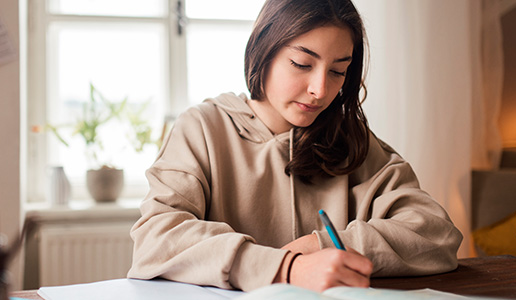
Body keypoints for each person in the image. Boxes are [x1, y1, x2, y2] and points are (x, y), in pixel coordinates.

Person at [127, 0, 463, 293]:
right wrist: (286, 268)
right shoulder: (202, 128)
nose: (320, 89)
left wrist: (319, 245)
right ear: (264, 49)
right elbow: (157, 238)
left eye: (338, 71)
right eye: (302, 64)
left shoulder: (352, 140)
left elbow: (437, 234)